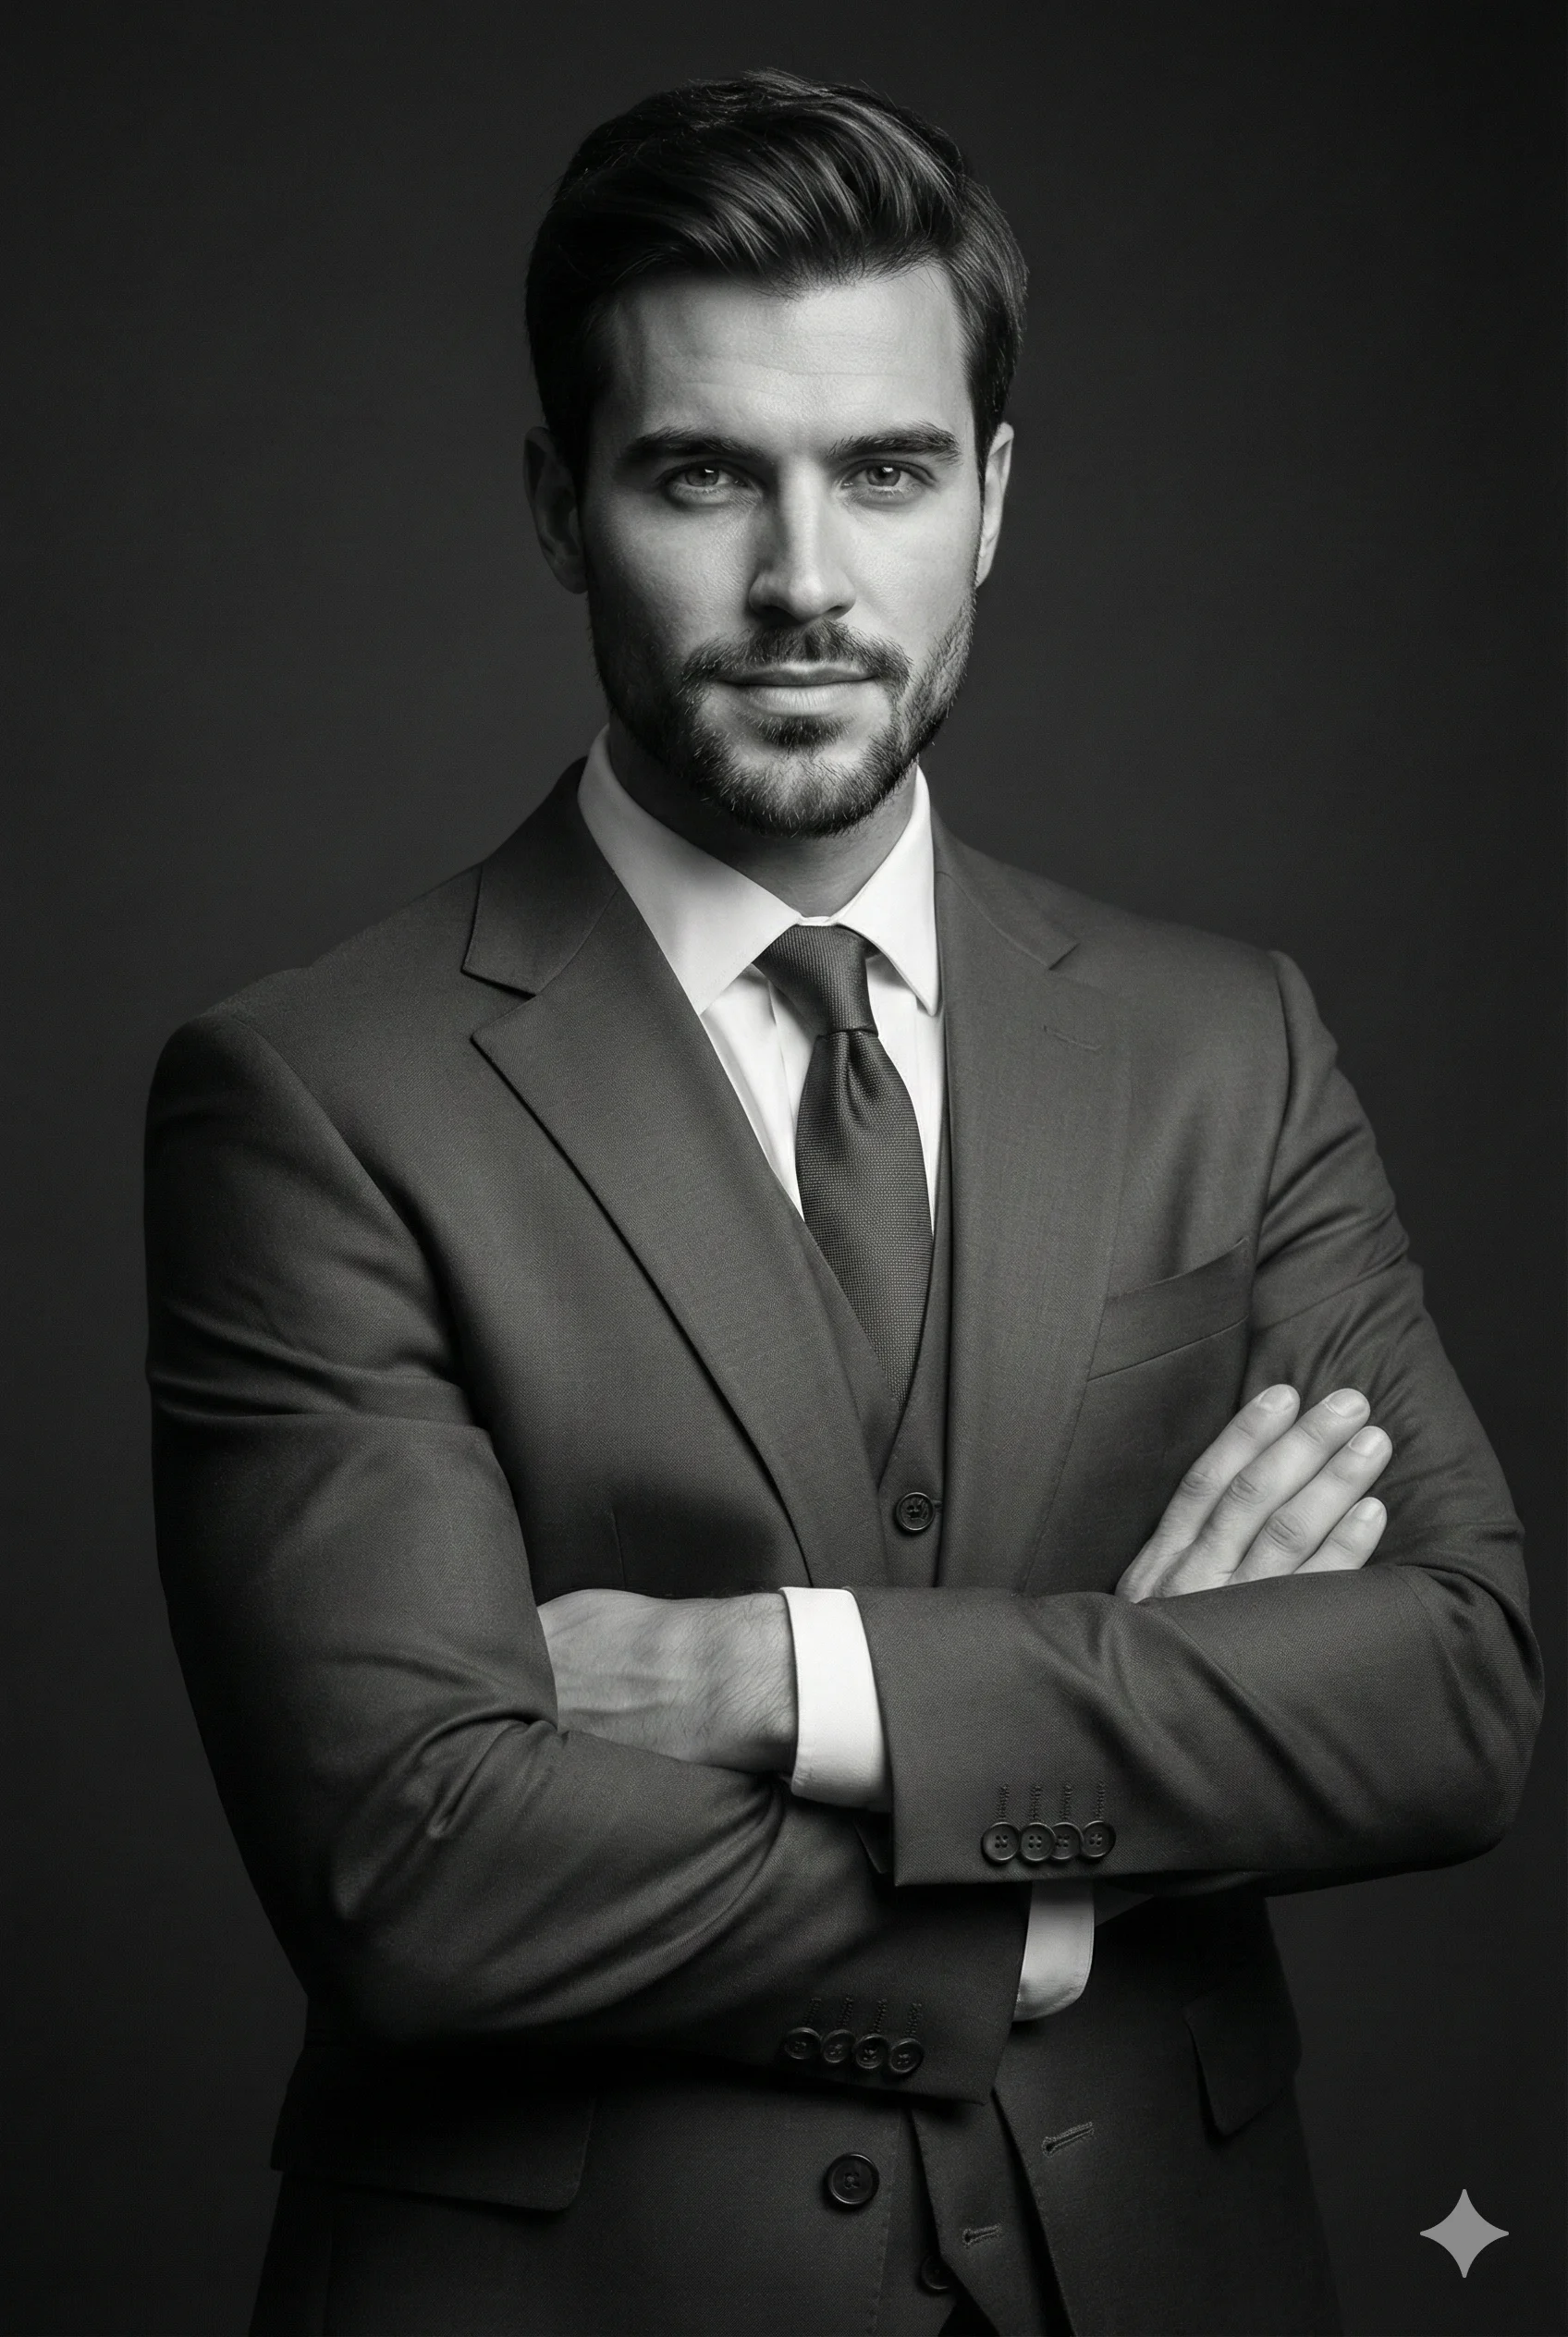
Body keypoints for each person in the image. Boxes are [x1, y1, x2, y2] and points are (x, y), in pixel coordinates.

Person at [145, 70, 1540, 2337]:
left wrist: (776, 1676)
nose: (805, 582)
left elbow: (1454, 1686)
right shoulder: (309, 1093)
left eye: (883, 470)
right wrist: (1077, 1868)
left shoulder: (1224, 1039)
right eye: (703, 473)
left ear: (986, 499)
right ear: (557, 502)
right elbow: (419, 1870)